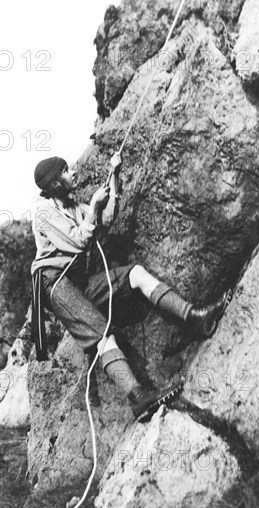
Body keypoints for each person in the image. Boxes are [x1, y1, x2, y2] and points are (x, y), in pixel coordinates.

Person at [30, 153, 231, 421]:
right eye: (66, 171)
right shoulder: (44, 213)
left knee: (134, 274)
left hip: (78, 280)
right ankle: (138, 399)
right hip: (55, 284)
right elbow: (79, 242)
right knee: (102, 336)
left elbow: (107, 218)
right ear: (55, 183)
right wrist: (92, 208)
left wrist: (113, 177)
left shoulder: (71, 205)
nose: (73, 172)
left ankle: (195, 318)